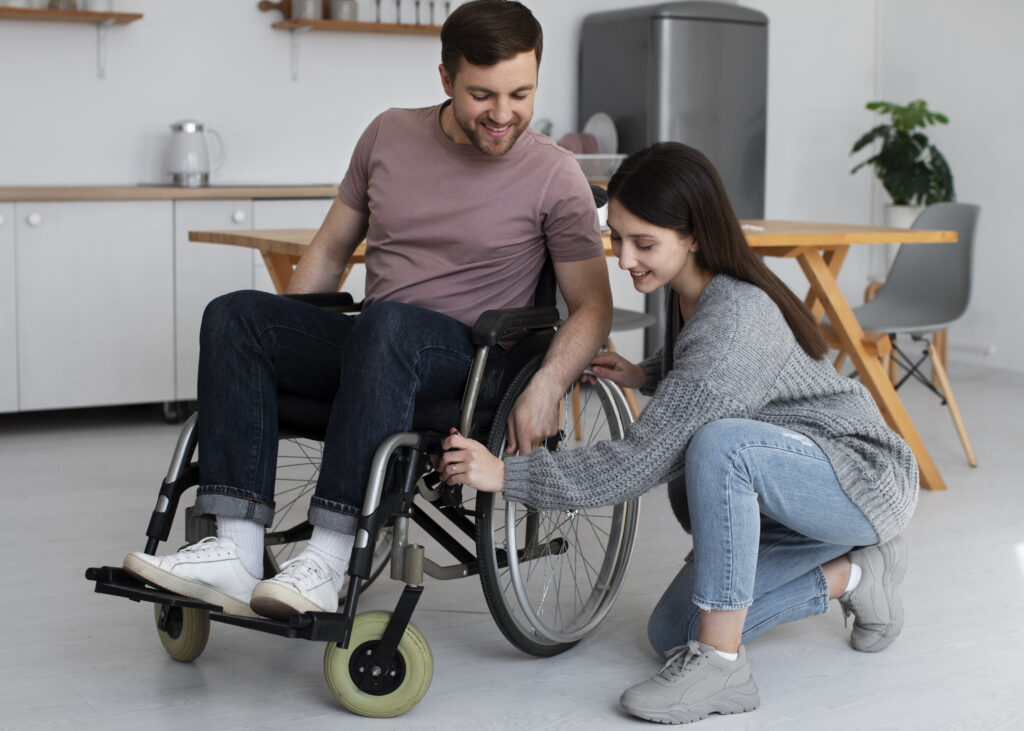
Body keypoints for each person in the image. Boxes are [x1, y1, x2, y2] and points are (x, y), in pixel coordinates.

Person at [124, 0, 612, 621]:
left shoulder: (554, 174)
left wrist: (546, 386)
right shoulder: (388, 134)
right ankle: (236, 548)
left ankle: (329, 555)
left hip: (472, 362)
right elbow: (329, 249)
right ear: (445, 79)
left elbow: (592, 306)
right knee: (235, 315)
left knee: (388, 325)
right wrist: (285, 347)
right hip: (378, 348)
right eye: (482, 95)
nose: (502, 115)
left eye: (521, 94)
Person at [439, 141, 917, 725]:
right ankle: (859, 574)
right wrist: (647, 374)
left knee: (721, 445)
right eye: (617, 237)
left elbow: (640, 461)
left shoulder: (737, 317)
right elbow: (713, 370)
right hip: (794, 487)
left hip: (861, 478)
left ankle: (722, 666)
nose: (623, 258)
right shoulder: (696, 293)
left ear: (693, 235)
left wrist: (507, 475)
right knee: (672, 632)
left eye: (644, 243)